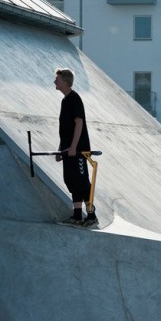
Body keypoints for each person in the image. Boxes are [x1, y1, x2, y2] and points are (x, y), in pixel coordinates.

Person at [54, 68, 98, 227]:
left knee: (82, 182)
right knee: (71, 181)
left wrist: (73, 147)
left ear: (65, 81)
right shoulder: (65, 101)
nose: (55, 82)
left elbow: (79, 123)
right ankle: (77, 216)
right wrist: (61, 149)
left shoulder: (74, 99)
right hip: (68, 150)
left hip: (78, 150)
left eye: (57, 80)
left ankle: (92, 216)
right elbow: (65, 130)